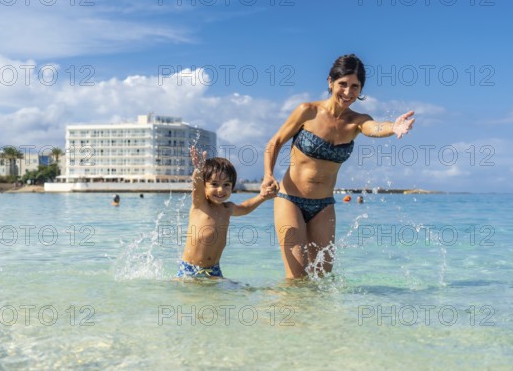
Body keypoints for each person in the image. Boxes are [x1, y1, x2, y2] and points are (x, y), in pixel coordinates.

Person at [261, 54, 415, 279]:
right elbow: (274, 143)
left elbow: (375, 127)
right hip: (290, 199)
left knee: (323, 277)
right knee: (297, 277)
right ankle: (289, 314)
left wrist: (394, 127)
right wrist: (267, 175)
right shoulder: (308, 111)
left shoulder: (357, 121)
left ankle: (319, 316)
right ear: (330, 82)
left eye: (355, 86)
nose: (348, 92)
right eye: (343, 84)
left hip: (323, 205)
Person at [177, 146, 274, 278]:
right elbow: (196, 185)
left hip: (214, 270)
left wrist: (262, 197)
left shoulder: (227, 209)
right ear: (204, 186)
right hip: (191, 269)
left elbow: (245, 208)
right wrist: (198, 170)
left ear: (232, 187)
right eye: (215, 184)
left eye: (226, 185)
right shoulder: (200, 204)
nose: (221, 190)